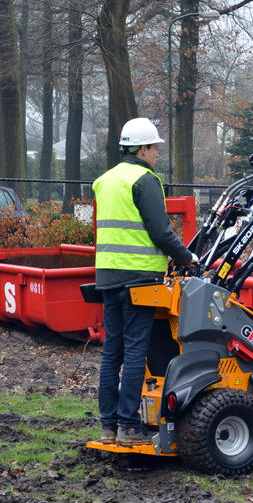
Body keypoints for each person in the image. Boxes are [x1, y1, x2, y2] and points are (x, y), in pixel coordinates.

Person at [92, 117, 197, 447]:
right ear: (141, 148)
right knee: (137, 352)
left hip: (108, 276)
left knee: (112, 352)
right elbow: (161, 232)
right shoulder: (145, 180)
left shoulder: (105, 181)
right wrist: (188, 257)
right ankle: (130, 426)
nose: (156, 155)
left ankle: (109, 426)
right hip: (139, 279)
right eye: (154, 148)